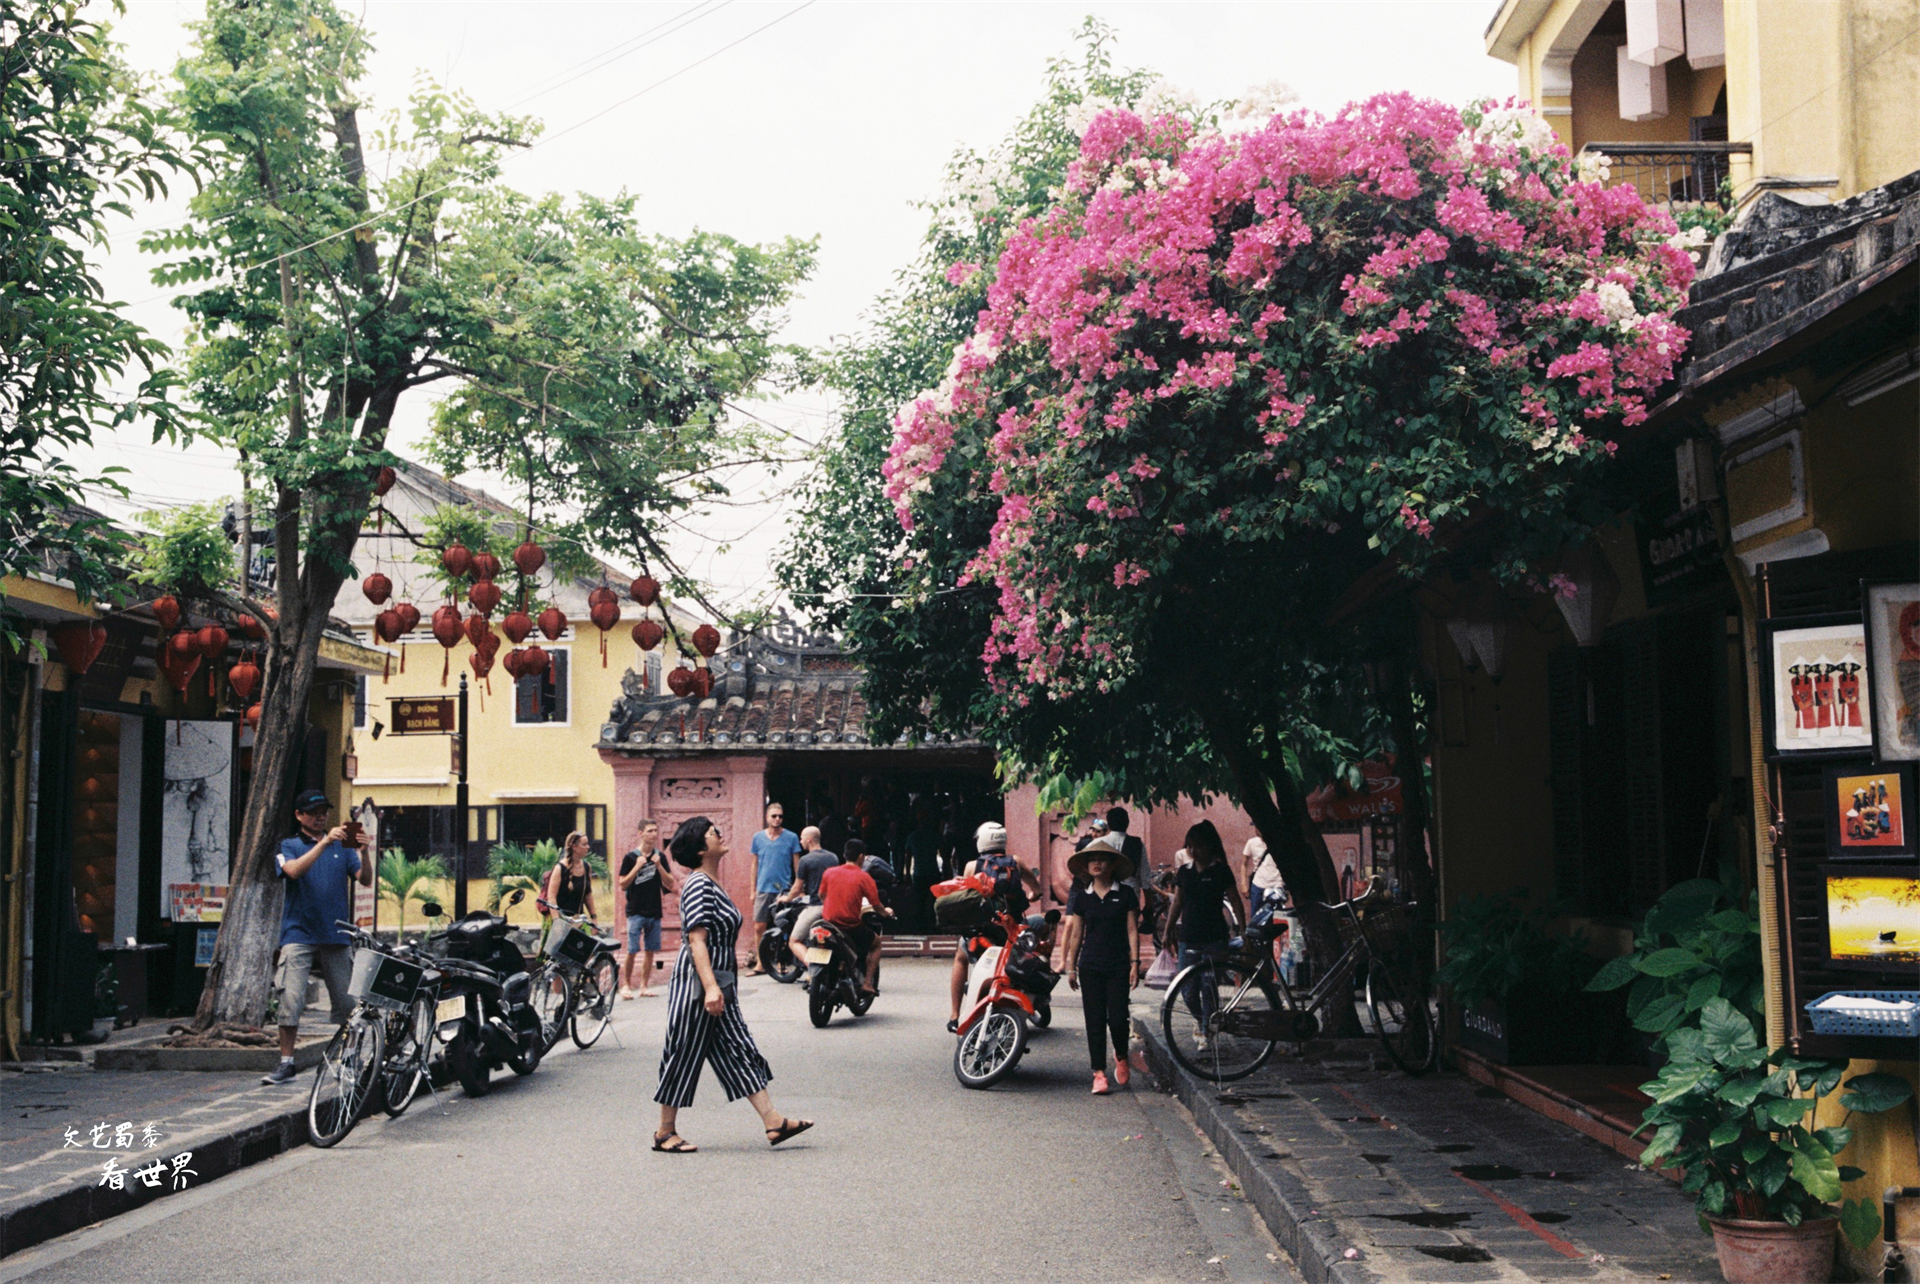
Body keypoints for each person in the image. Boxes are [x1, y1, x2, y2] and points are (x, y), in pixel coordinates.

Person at [652, 816, 812, 1154]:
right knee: (684, 1048)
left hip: (719, 981)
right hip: (699, 982)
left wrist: (718, 987)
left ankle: (773, 1121)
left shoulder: (712, 883)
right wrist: (710, 987)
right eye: (713, 833)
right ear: (700, 848)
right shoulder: (698, 884)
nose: (720, 835)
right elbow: (696, 940)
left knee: (738, 1047)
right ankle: (665, 1132)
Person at [262, 790, 373, 1085]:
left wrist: (364, 852)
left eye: (323, 811)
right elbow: (293, 872)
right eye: (313, 812)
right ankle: (286, 1063)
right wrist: (323, 843)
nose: (320, 817)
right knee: (290, 999)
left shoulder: (343, 847)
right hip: (298, 932)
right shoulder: (289, 845)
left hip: (336, 933)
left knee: (348, 1005)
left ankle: (349, 1058)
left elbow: (364, 879)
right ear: (299, 815)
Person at [1063, 832, 1140, 1095]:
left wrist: (1135, 963)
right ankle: (1098, 1073)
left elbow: (1132, 930)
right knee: (1094, 1021)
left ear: (1113, 864)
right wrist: (1071, 966)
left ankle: (1121, 1055)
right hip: (1090, 965)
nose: (1097, 863)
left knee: (1117, 1019)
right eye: (1092, 859)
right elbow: (1076, 934)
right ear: (1086, 867)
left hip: (1118, 965)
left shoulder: (1126, 894)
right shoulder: (1082, 897)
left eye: (1102, 859)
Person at [947, 820, 1039, 1032]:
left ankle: (954, 1015)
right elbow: (1036, 888)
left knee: (960, 957)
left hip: (984, 929)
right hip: (1012, 929)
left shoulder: (972, 866)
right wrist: (1034, 895)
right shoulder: (1016, 862)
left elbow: (965, 898)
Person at [1165, 820, 1245, 1031]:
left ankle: (1207, 1031)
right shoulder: (1184, 872)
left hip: (1214, 938)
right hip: (1188, 938)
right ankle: (1203, 1022)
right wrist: (1167, 930)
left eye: (1198, 846)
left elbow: (1235, 901)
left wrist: (1243, 930)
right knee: (1187, 991)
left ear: (1209, 846)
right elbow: (1177, 903)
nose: (1193, 851)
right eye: (1189, 846)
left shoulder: (1221, 870)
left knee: (1209, 987)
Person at [819, 839, 892, 995]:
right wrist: (886, 913)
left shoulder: (829, 872)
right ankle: (867, 984)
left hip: (828, 924)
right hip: (849, 926)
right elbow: (876, 905)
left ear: (844, 855)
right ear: (861, 857)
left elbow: (822, 895)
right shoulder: (864, 877)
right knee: (876, 943)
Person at [618, 820, 674, 998]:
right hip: (635, 910)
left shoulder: (660, 856)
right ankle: (626, 985)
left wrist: (659, 866)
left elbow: (670, 883)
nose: (654, 834)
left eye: (655, 830)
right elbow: (622, 884)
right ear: (640, 833)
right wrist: (637, 866)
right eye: (649, 831)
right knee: (632, 950)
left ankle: (643, 986)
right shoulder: (630, 857)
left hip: (654, 910)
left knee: (650, 950)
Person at [746, 803, 801, 976]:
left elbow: (797, 864)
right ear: (767, 817)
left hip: (784, 889)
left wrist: (798, 888)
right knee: (759, 926)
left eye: (780, 816)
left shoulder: (791, 837)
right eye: (774, 816)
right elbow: (754, 865)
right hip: (763, 887)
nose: (777, 819)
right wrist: (753, 890)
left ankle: (780, 962)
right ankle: (761, 963)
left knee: (784, 926)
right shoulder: (758, 838)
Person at [782, 827, 837, 980]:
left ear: (809, 840)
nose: (800, 842)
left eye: (801, 838)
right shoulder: (833, 857)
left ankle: (814, 970)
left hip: (816, 907)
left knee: (794, 941)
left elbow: (797, 888)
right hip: (832, 907)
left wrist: (787, 898)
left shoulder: (805, 860)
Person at [542, 831, 599, 928]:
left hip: (578, 921)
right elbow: (551, 898)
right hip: (560, 921)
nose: (588, 847)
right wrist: (557, 922)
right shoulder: (560, 868)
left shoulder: (586, 867)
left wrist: (594, 917)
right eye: (584, 844)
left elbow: (588, 894)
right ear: (574, 847)